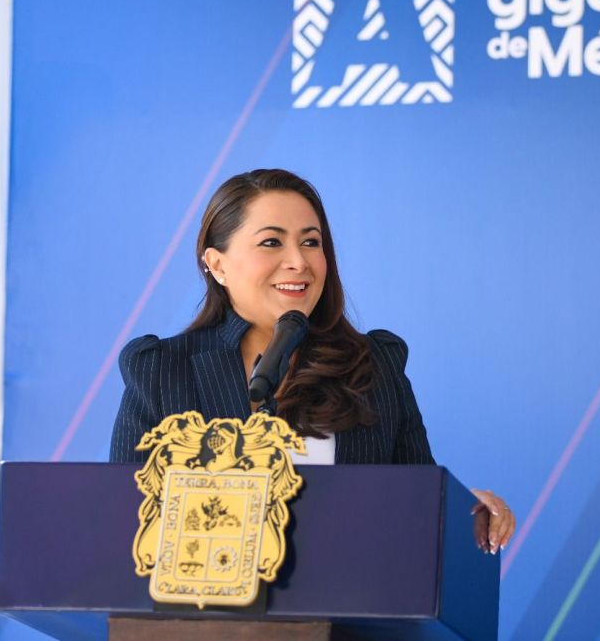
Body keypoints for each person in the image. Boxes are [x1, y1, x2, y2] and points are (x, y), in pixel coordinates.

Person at [110, 169, 516, 553]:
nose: (299, 262)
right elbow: (128, 524)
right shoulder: (162, 371)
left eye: (310, 242)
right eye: (272, 242)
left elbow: (415, 505)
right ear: (217, 264)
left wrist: (462, 513)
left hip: (348, 600)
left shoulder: (376, 366)